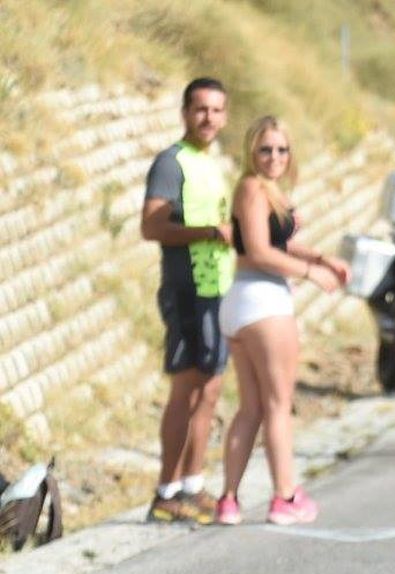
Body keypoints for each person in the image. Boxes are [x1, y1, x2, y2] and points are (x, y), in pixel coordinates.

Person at [214, 117, 349, 526]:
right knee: (278, 406)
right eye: (265, 150)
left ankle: (229, 501)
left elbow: (277, 241)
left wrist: (320, 257)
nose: (274, 157)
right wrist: (310, 274)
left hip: (242, 305)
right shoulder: (253, 187)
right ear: (251, 153)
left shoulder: (266, 191)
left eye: (281, 149)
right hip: (264, 302)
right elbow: (257, 250)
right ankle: (284, 496)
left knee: (252, 406)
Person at [141, 77, 234, 524]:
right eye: (200, 109)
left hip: (217, 290)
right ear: (184, 113)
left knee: (210, 390)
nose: (208, 118)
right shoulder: (170, 162)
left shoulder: (210, 164)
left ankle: (193, 486)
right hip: (186, 290)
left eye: (217, 110)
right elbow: (151, 227)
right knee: (187, 388)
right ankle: (166, 491)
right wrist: (212, 233)